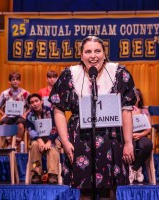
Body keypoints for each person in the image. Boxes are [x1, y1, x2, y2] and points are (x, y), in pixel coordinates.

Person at [49, 36, 136, 198]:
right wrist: (65, 142)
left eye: (97, 51)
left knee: (109, 190)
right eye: (88, 52)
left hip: (111, 138)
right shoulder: (69, 75)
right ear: (81, 55)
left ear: (104, 53)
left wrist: (129, 142)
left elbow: (126, 109)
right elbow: (58, 109)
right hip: (80, 139)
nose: (93, 56)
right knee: (85, 190)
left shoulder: (119, 73)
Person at [26, 93, 60, 184]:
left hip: (52, 138)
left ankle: (53, 174)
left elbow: (56, 127)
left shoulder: (51, 111)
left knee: (52, 147)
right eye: (32, 102)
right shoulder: (30, 116)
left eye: (36, 101)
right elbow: (31, 130)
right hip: (38, 139)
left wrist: (49, 140)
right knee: (34, 146)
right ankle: (36, 173)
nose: (34, 104)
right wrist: (39, 140)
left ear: (41, 101)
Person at [0, 72, 29, 149]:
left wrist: (25, 114)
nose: (15, 81)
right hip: (9, 116)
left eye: (17, 79)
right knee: (5, 125)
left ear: (20, 81)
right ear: (9, 81)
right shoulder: (5, 93)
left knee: (20, 126)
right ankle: (9, 143)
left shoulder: (25, 93)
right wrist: (4, 114)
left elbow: (31, 107)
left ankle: (16, 144)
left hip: (20, 116)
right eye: (13, 79)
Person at [129, 89, 153, 183]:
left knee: (147, 145)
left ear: (139, 98)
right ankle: (132, 168)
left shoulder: (144, 111)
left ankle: (135, 168)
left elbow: (148, 128)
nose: (134, 98)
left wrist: (140, 134)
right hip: (129, 136)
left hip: (142, 134)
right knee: (131, 146)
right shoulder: (125, 111)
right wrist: (131, 135)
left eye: (136, 96)